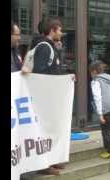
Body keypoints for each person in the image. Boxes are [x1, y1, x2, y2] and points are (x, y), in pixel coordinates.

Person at [28, 18, 65, 175]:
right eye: (60, 30)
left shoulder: (49, 47)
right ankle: (42, 165)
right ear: (52, 30)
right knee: (44, 131)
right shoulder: (44, 47)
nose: (61, 33)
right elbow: (40, 74)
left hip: (47, 97)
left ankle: (50, 160)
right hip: (43, 99)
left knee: (49, 130)